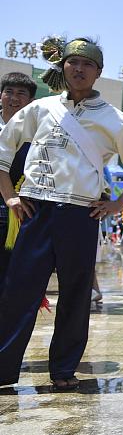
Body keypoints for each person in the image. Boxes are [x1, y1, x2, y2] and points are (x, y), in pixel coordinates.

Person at [0, 38, 123, 391]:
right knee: (19, 290)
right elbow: (4, 148)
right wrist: (10, 198)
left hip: (80, 214)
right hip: (36, 209)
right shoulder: (39, 109)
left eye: (88, 64)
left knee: (75, 293)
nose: (79, 69)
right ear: (63, 67)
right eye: (73, 62)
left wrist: (117, 204)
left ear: (98, 72)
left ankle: (64, 369)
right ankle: (3, 368)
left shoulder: (115, 119)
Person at [0, 72, 37, 291]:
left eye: (21, 93)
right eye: (9, 92)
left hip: (20, 213)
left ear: (30, 101)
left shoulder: (37, 132)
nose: (14, 98)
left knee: (13, 275)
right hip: (7, 205)